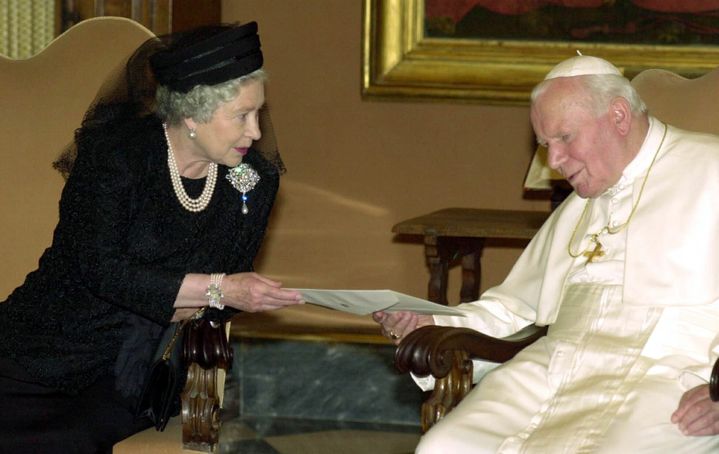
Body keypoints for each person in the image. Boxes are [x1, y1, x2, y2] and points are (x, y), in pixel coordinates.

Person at [374, 55, 719, 452]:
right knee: (446, 446)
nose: (553, 162)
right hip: (556, 369)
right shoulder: (578, 207)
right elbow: (513, 309)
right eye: (545, 145)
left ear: (619, 117)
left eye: (565, 138)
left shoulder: (711, 167)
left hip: (672, 374)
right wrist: (428, 321)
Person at [0, 21, 303, 452]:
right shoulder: (116, 157)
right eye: (241, 115)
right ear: (192, 114)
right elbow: (98, 270)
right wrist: (213, 289)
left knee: (77, 437)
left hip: (133, 369)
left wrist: (220, 298)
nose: (256, 132)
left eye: (259, 113)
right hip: (44, 348)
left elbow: (227, 292)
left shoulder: (254, 180)